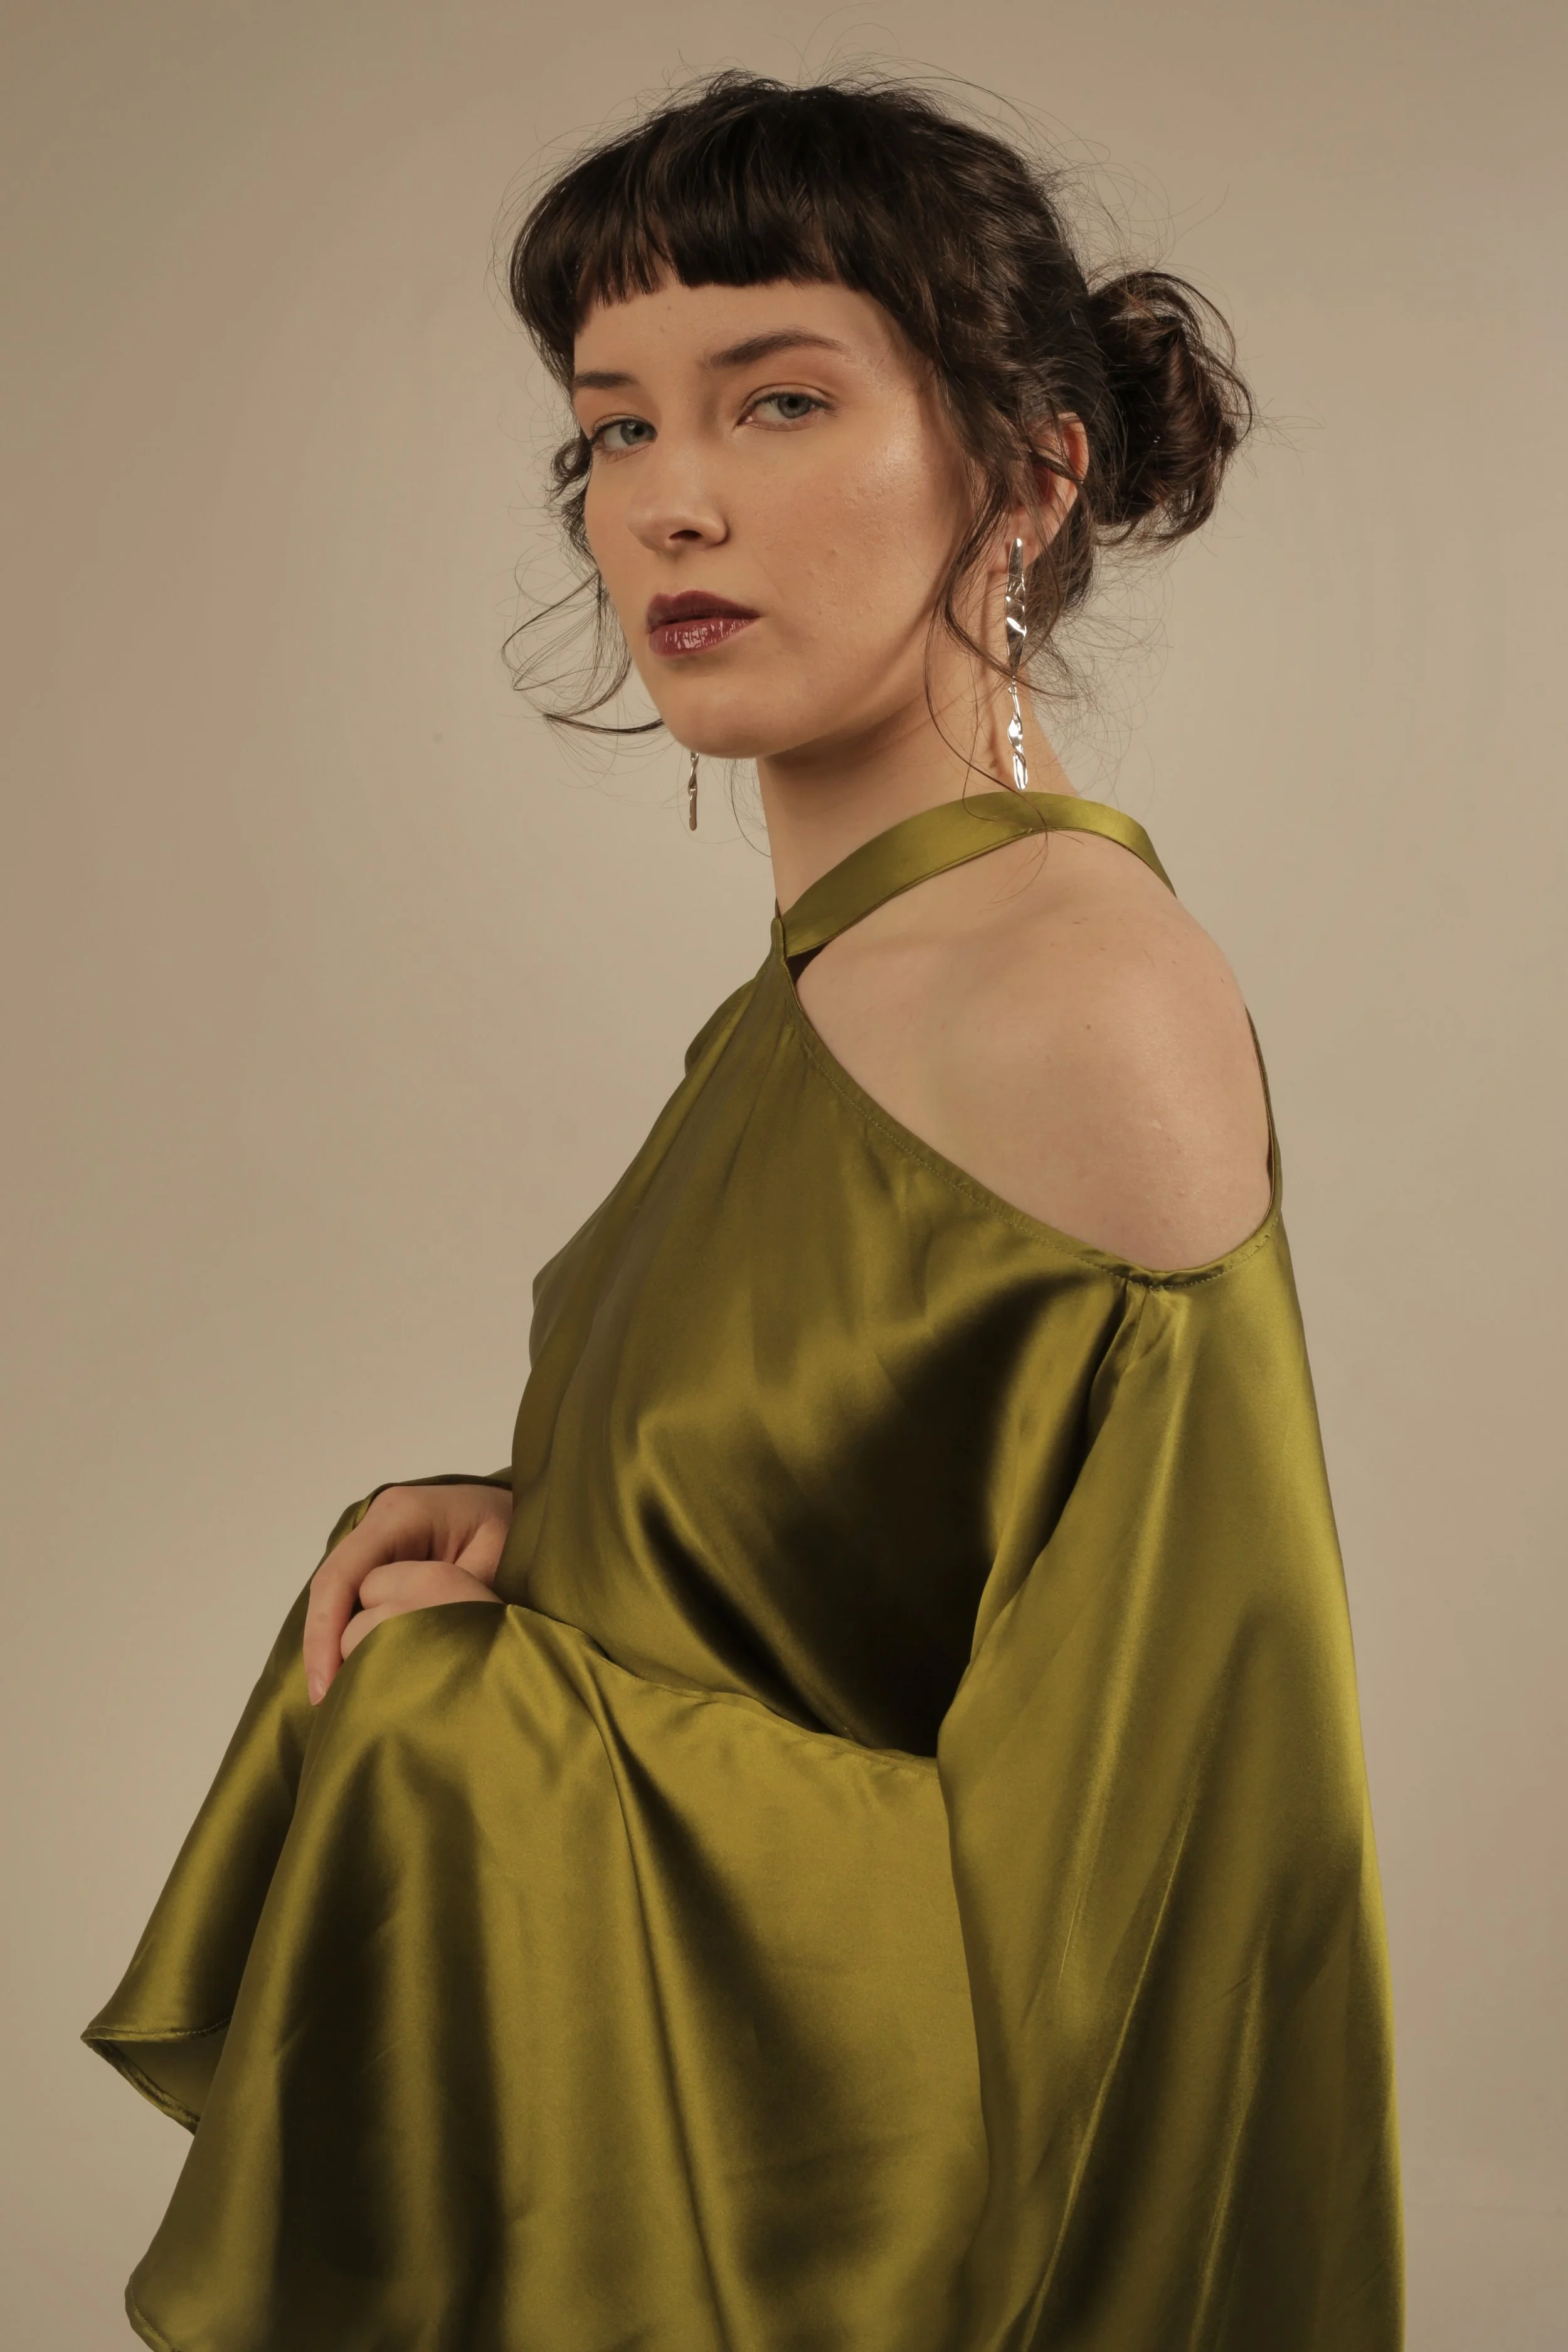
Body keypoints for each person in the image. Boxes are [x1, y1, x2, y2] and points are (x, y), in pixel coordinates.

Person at [85, 69, 1402, 2352]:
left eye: (777, 400)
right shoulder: (860, 978)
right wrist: (569, 1518)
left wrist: (462, 1723)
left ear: (1024, 470)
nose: (670, 503)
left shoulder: (1061, 1005)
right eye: (614, 428)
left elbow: (1119, 1936)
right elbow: (883, 1566)